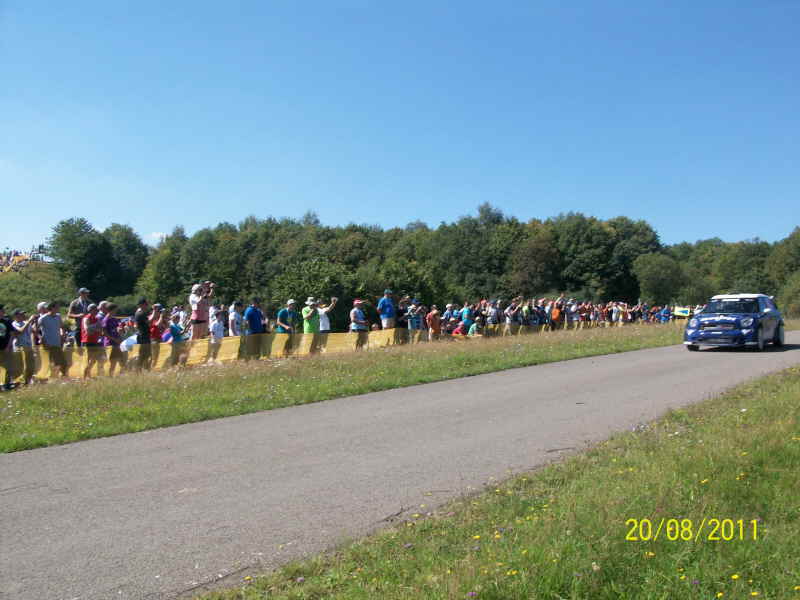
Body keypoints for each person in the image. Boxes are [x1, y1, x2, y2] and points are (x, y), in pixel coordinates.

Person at [38, 302, 68, 379]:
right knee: (56, 362)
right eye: (57, 307)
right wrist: (41, 339)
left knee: (62, 363)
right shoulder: (43, 318)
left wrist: (63, 335)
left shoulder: (58, 316)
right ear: (52, 308)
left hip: (58, 343)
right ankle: (55, 378)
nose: (58, 309)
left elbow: (62, 326)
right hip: (49, 344)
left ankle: (61, 377)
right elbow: (35, 330)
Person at [11, 309, 37, 385]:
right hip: (19, 347)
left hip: (28, 346)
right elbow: (20, 331)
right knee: (20, 367)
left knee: (30, 366)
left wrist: (35, 322)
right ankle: (18, 382)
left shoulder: (26, 323)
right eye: (21, 314)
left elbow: (34, 331)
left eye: (23, 314)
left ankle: (27, 381)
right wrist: (29, 321)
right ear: (16, 316)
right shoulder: (13, 324)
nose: (23, 315)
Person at [81, 304, 105, 379]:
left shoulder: (96, 318)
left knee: (93, 360)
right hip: (87, 341)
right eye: (95, 310)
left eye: (97, 310)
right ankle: (85, 376)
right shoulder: (86, 318)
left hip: (94, 340)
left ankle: (88, 375)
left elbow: (100, 329)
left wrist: (94, 329)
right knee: (90, 359)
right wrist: (95, 328)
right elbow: (87, 329)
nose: (97, 311)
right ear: (91, 310)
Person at [102, 303, 126, 376]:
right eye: (115, 309)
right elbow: (104, 333)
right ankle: (110, 376)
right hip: (110, 343)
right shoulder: (105, 320)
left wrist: (121, 330)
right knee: (113, 361)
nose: (116, 311)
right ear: (111, 310)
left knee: (122, 360)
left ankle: (121, 374)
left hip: (118, 343)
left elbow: (118, 329)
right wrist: (114, 339)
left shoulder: (114, 319)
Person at [134, 298, 152, 371]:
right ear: (141, 305)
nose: (146, 306)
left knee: (146, 354)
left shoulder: (141, 312)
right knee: (142, 355)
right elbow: (149, 322)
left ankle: (144, 369)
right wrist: (154, 313)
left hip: (144, 336)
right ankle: (138, 370)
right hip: (143, 336)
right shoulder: (140, 313)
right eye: (145, 304)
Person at [0, 305, 15, 389]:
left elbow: (12, 335)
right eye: (2, 311)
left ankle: (7, 383)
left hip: (6, 348)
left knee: (8, 366)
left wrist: (8, 346)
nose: (3, 312)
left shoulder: (7, 321)